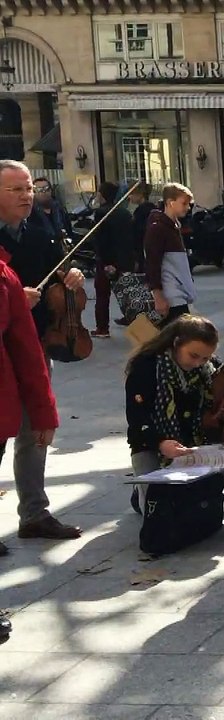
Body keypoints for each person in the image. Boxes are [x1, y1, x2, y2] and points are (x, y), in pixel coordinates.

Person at [0, 159, 81, 541]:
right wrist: (14, 298)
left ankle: (34, 513)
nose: (26, 196)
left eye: (29, 187)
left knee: (36, 431)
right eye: (15, 189)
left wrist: (70, 277)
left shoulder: (38, 231)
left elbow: (58, 273)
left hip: (33, 342)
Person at [124, 314, 224, 513]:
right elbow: (136, 417)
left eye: (205, 358)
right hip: (152, 444)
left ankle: (197, 490)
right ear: (176, 344)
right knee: (154, 506)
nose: (199, 363)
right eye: (193, 355)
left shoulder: (208, 367)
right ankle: (141, 491)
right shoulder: (147, 366)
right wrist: (160, 443)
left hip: (196, 441)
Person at [1, 229, 60, 557]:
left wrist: (43, 412)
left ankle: (35, 514)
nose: (25, 196)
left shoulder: (5, 274)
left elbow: (26, 351)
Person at [143, 183, 197, 326]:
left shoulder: (173, 227)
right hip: (171, 297)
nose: (188, 207)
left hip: (179, 294)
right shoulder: (158, 229)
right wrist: (158, 295)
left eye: (189, 204)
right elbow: (152, 263)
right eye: (184, 203)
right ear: (170, 203)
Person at [90, 180, 136, 338]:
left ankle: (102, 328)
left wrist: (107, 263)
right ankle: (139, 327)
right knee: (128, 296)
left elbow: (101, 241)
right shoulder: (124, 212)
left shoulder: (101, 213)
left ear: (101, 195)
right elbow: (132, 239)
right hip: (125, 260)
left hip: (107, 261)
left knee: (102, 295)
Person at [29, 177, 73, 242]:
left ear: (50, 190)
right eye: (39, 190)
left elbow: (68, 229)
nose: (44, 192)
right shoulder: (30, 213)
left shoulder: (59, 209)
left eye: (46, 189)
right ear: (33, 192)